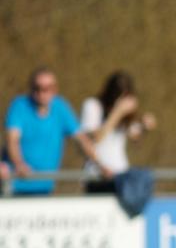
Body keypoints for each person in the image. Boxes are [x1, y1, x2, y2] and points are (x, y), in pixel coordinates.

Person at [3, 67, 108, 195]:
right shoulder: (19, 106)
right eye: (37, 88)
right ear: (31, 88)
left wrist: (101, 166)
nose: (42, 93)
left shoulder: (60, 108)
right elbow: (12, 140)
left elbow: (82, 140)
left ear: (55, 90)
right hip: (14, 185)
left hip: (45, 187)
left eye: (47, 88)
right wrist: (19, 163)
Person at [80, 71, 156, 195]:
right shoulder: (93, 106)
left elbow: (134, 136)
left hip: (121, 175)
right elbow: (95, 138)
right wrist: (118, 112)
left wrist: (144, 126)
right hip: (96, 176)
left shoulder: (123, 116)